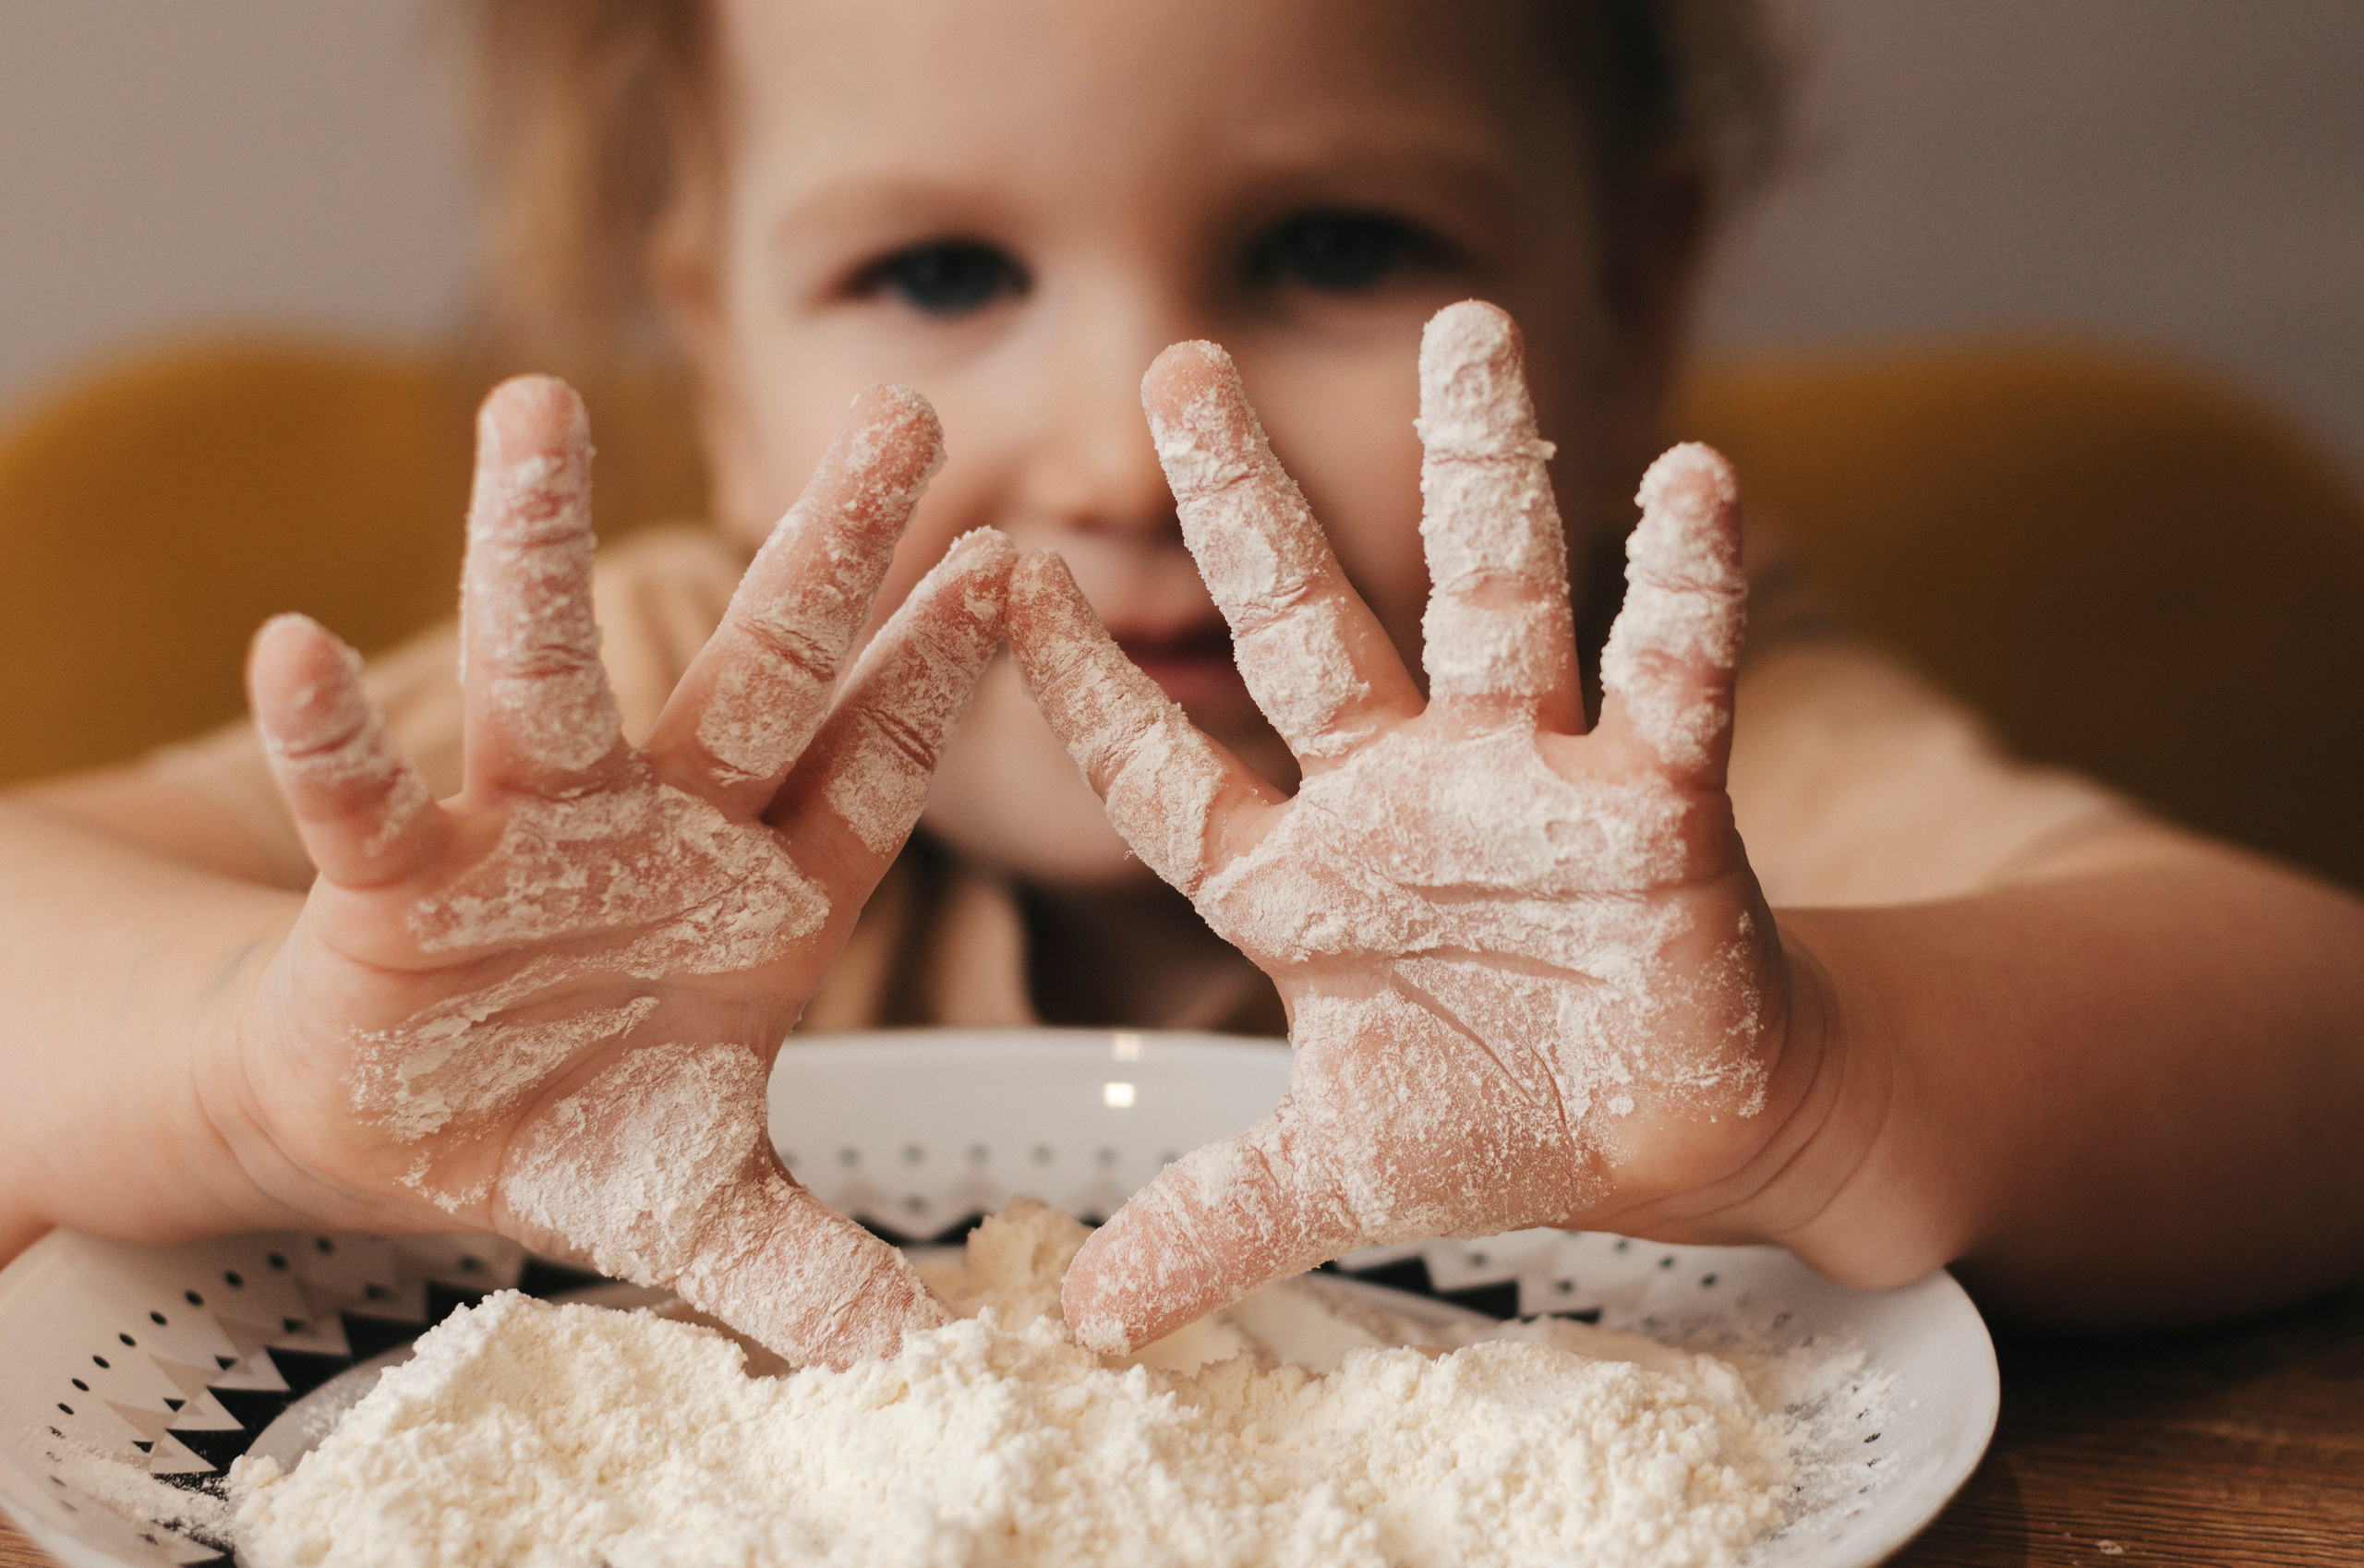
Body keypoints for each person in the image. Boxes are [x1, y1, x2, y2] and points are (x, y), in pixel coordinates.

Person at [3, 0, 2360, 1368]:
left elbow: (2311, 1042)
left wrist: (1815, 1083)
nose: (1134, 423)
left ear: (1630, 291)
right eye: (936, 271)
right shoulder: (654, 733)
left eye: (1328, 244)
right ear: (714, 349)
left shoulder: (1625, 798)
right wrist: (266, 1057)